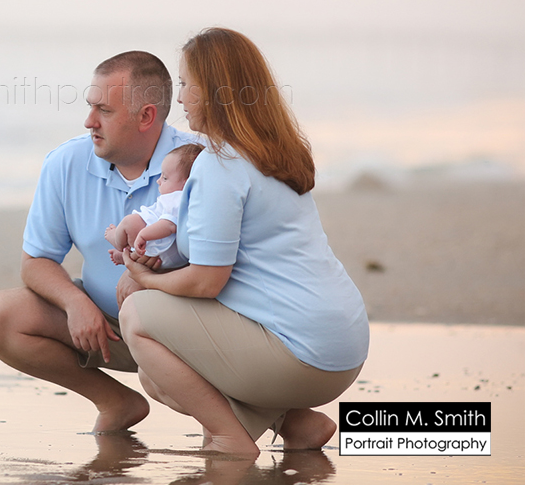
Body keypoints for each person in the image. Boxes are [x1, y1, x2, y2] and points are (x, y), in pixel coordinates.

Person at [118, 28, 369, 456]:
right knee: (156, 378)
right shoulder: (276, 153)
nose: (179, 99)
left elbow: (206, 283)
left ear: (214, 91)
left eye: (185, 85)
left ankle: (228, 438)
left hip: (303, 353)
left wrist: (144, 279)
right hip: (344, 345)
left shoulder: (221, 166)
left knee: (137, 315)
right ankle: (297, 425)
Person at [0, 50, 198, 433]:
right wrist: (75, 302)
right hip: (106, 327)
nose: (89, 121)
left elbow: (224, 269)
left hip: (185, 333)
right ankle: (116, 403)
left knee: (237, 434)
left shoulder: (201, 164)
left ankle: (277, 423)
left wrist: (145, 281)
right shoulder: (65, 163)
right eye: (90, 106)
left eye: (105, 111)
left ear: (146, 116)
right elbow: (37, 261)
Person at [104, 142, 203, 268]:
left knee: (130, 222)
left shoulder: (178, 198)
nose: (158, 181)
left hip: (157, 241)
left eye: (165, 178)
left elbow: (168, 225)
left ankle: (118, 241)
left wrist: (144, 234)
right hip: (167, 253)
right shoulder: (195, 201)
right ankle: (124, 255)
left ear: (186, 183)